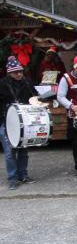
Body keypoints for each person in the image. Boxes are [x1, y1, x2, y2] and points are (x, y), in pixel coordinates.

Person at [0, 56, 39, 189]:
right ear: (9, 72)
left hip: (24, 122)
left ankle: (23, 175)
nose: (19, 74)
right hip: (6, 122)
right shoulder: (2, 84)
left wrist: (37, 101)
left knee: (23, 150)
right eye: (16, 72)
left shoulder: (26, 82)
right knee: (10, 152)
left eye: (21, 71)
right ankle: (12, 179)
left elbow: (34, 97)